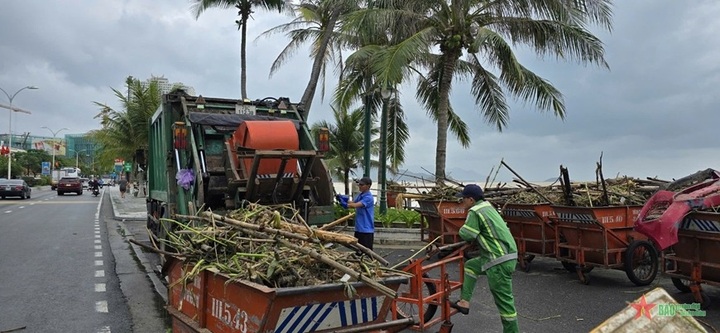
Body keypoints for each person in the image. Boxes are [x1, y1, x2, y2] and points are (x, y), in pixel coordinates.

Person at [451, 184, 519, 333]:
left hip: (498, 261)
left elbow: (467, 234)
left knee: (505, 306)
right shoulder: (487, 207)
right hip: (505, 256)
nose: (461, 202)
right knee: (471, 265)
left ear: (471, 199)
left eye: (463, 199)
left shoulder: (474, 211)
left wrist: (462, 229)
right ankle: (464, 302)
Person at [337, 177, 375, 251]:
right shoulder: (361, 195)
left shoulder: (368, 197)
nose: (359, 186)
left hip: (366, 230)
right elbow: (353, 202)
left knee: (366, 252)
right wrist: (343, 199)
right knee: (358, 251)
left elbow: (356, 205)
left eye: (362, 185)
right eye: (359, 184)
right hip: (359, 228)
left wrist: (345, 204)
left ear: (368, 186)